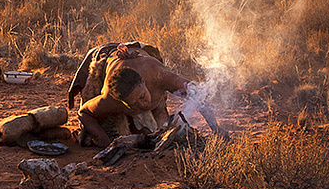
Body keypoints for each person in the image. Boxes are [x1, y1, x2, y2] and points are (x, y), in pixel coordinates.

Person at [68, 41, 226, 140]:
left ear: (143, 82)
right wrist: (104, 141)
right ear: (120, 102)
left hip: (138, 54)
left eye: (142, 96)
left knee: (157, 129)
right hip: (106, 58)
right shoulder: (109, 97)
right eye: (134, 104)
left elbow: (196, 92)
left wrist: (215, 127)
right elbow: (84, 113)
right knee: (95, 135)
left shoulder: (158, 76)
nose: (143, 104)